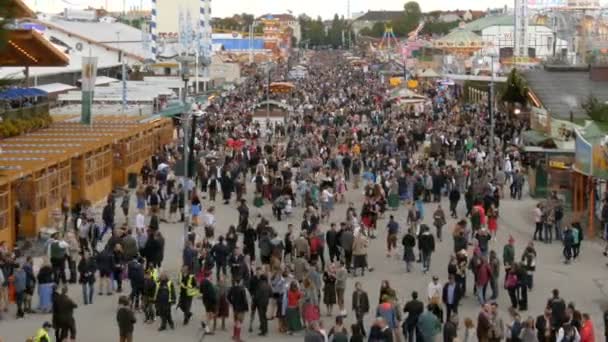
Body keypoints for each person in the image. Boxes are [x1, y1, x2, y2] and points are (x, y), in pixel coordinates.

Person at [227, 277, 249, 342]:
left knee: (236, 321)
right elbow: (244, 300)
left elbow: (228, 297)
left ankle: (234, 335)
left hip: (235, 308)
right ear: (240, 282)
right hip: (241, 308)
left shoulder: (232, 288)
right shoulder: (242, 289)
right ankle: (238, 337)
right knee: (239, 322)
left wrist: (232, 303)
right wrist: (246, 308)